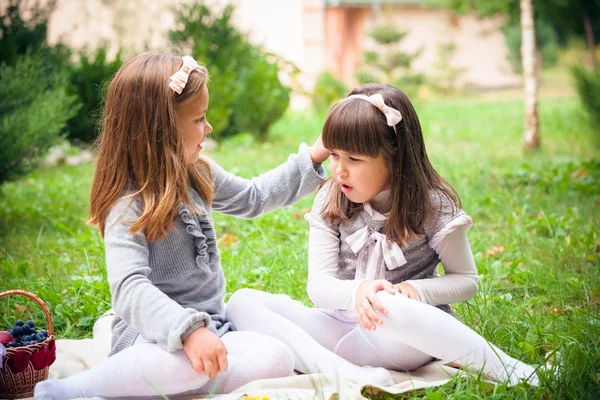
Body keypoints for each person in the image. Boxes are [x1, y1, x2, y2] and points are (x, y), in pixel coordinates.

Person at [34, 52, 337, 399]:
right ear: (159, 130)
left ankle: (161, 385)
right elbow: (129, 287)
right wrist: (187, 332)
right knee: (183, 367)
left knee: (278, 358)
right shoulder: (128, 204)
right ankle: (70, 390)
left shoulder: (198, 172)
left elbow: (253, 197)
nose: (207, 128)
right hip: (151, 336)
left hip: (213, 329)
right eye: (198, 119)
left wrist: (314, 155)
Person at [226, 83, 539, 387]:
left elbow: (467, 279)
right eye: (334, 155)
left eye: (355, 159)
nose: (340, 171)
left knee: (386, 301)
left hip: (401, 338)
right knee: (241, 303)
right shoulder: (331, 198)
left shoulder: (430, 205)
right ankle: (348, 375)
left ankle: (514, 370)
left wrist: (416, 291)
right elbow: (318, 286)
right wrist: (358, 291)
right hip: (340, 332)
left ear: (394, 157)